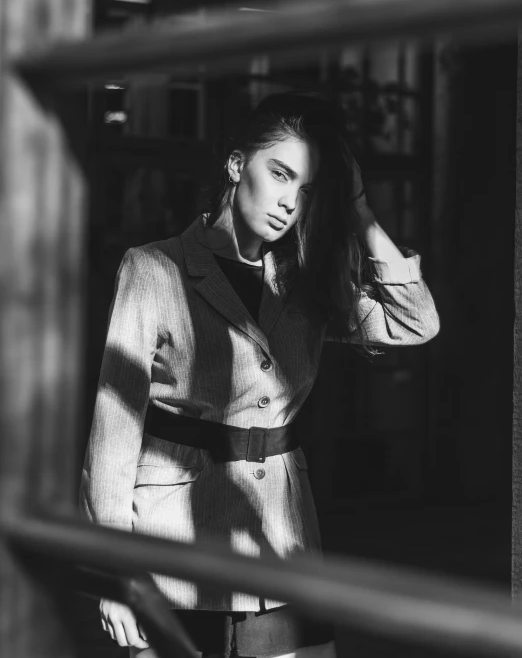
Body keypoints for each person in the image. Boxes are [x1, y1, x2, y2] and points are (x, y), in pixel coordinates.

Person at [79, 91, 440, 658]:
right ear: (235, 164)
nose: (288, 202)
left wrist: (361, 210)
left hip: (283, 547)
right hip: (175, 549)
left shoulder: (306, 283)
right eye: (279, 174)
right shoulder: (154, 269)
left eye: (306, 189)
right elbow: (114, 433)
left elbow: (414, 322)